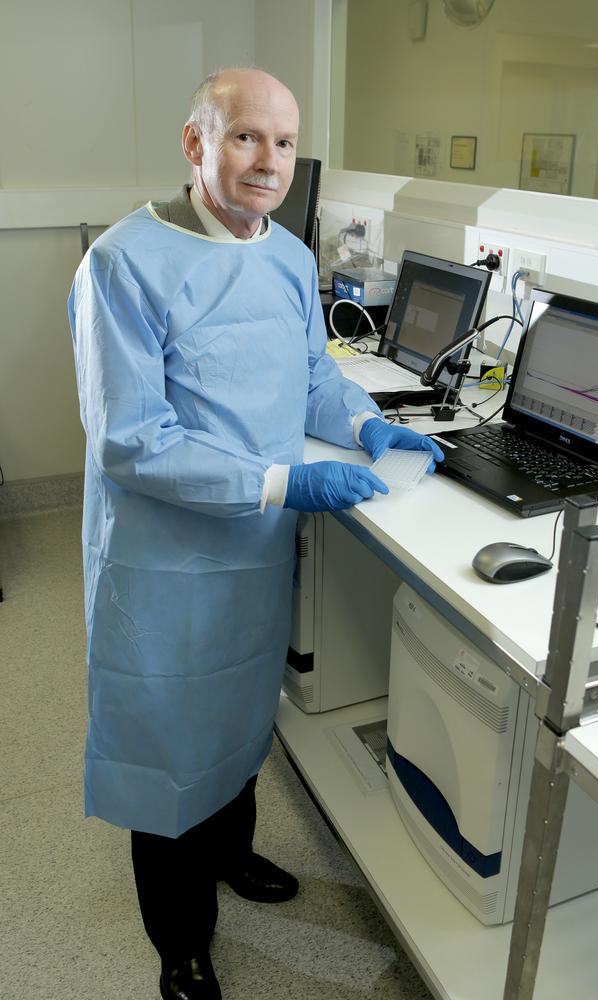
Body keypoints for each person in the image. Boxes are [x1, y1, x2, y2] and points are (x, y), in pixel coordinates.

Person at [68, 67, 444, 1000]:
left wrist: (363, 422)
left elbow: (314, 371)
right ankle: (182, 940)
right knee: (171, 748)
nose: (267, 161)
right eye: (244, 137)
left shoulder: (282, 253)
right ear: (196, 144)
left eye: (282, 142)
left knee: (242, 719)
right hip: (163, 562)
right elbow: (131, 441)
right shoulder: (124, 262)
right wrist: (287, 480)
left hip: (254, 547)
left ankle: (231, 859)